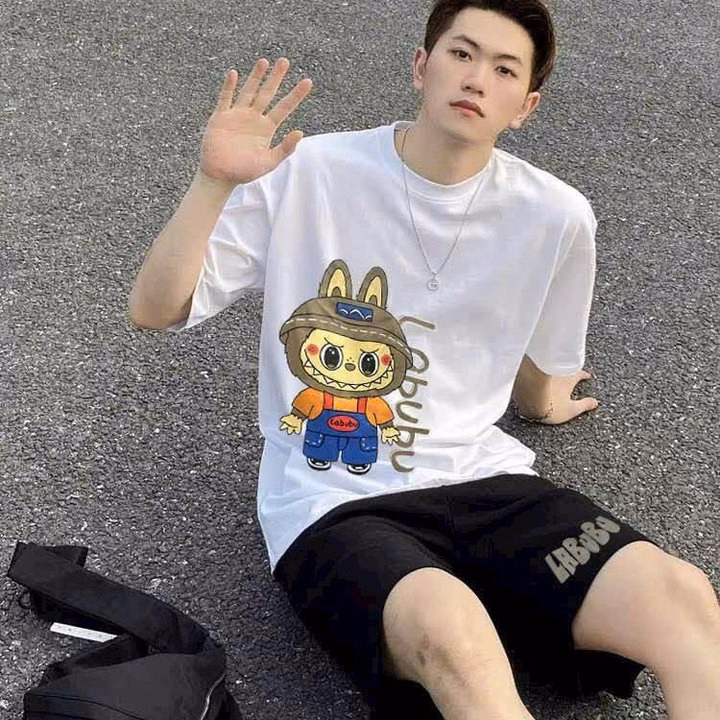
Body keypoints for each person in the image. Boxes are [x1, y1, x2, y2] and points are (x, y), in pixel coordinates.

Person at [128, 1, 720, 718]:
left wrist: (546, 405)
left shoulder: (556, 215)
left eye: (505, 69)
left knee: (684, 596)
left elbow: (541, 358)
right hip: (334, 500)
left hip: (488, 482)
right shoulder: (314, 171)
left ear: (525, 106)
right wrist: (214, 183)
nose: (476, 78)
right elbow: (155, 308)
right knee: (456, 639)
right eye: (461, 53)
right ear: (421, 66)